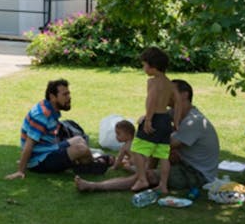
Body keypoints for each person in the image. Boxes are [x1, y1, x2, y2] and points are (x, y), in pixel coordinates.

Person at [76, 79, 220, 194]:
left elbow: (164, 143)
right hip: (183, 163)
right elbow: (144, 120)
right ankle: (144, 171)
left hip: (197, 174)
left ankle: (95, 186)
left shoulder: (193, 121)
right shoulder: (174, 112)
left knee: (152, 163)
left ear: (184, 95)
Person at [6, 78, 95, 179]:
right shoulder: (42, 115)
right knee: (81, 149)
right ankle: (91, 166)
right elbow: (29, 143)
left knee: (80, 139)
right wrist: (20, 171)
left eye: (69, 93)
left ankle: (85, 163)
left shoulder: (49, 107)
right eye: (65, 95)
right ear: (53, 97)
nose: (69, 97)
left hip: (49, 148)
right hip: (39, 160)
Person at [130, 47, 176, 193]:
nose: (143, 68)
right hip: (165, 119)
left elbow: (151, 100)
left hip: (155, 119)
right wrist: (177, 121)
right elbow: (175, 102)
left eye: (144, 65)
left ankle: (142, 179)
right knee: (163, 155)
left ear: (152, 66)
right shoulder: (169, 83)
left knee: (136, 149)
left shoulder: (153, 82)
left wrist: (148, 119)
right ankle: (163, 185)